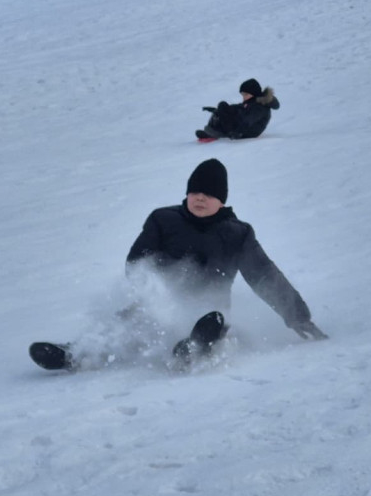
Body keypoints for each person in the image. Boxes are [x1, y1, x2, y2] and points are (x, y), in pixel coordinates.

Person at [29, 159, 327, 372]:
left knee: (214, 324)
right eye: (195, 192)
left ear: (222, 200)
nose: (200, 198)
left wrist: (298, 317)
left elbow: (265, 276)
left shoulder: (238, 234)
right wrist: (150, 287)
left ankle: (192, 350)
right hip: (154, 306)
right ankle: (77, 354)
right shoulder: (163, 219)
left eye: (208, 194)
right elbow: (137, 260)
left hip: (208, 314)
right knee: (127, 321)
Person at [196, 78, 280, 141]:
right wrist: (217, 110)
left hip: (246, 132)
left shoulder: (259, 107)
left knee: (223, 109)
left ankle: (215, 133)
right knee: (223, 106)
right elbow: (239, 108)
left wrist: (238, 132)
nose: (244, 97)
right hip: (242, 126)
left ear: (254, 93)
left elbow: (248, 120)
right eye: (243, 95)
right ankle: (214, 130)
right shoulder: (253, 102)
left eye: (246, 94)